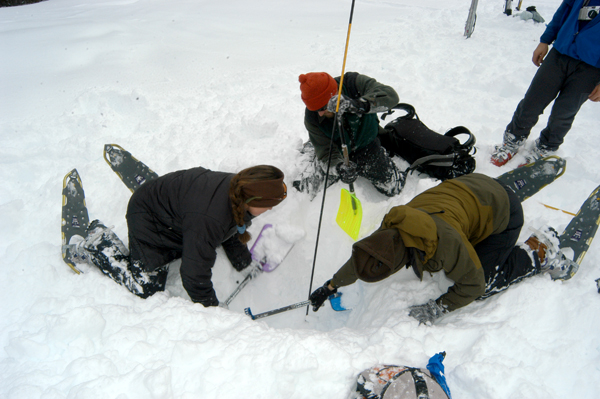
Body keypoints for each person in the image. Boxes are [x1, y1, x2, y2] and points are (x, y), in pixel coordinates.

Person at [309, 173, 578, 324]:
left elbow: (474, 286)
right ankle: (492, 198)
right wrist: (331, 285)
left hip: (504, 214)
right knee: (465, 237)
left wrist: (438, 307)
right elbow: (367, 255)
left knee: (486, 280)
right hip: (472, 186)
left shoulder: (446, 244)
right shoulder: (393, 225)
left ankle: (538, 252)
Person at [68, 165, 287, 307]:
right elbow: (193, 273)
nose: (269, 210)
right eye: (268, 206)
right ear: (252, 201)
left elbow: (230, 227)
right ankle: (100, 245)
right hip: (149, 219)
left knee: (199, 240)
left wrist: (243, 262)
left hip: (175, 211)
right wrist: (211, 310)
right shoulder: (211, 217)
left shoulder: (238, 190)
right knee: (146, 289)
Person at [491, 0, 600, 167]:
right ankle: (513, 139)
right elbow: (564, 10)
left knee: (564, 112)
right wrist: (545, 40)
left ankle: (546, 147)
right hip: (560, 54)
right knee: (533, 100)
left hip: (591, 68)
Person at [293, 71, 403, 198]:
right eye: (315, 109)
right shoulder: (312, 118)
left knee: (393, 187)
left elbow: (391, 96)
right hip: (337, 149)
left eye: (322, 108)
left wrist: (358, 105)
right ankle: (314, 145)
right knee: (307, 188)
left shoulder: (353, 83)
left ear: (334, 97)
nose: (320, 114)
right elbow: (325, 152)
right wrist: (339, 167)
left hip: (366, 145)